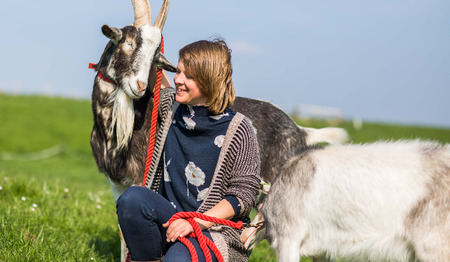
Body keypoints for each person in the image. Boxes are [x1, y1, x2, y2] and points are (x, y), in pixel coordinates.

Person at [116, 39, 261, 262]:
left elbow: (245, 193)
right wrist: (146, 34)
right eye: (179, 71)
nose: (178, 79)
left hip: (213, 230)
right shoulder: (172, 108)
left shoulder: (239, 128)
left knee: (179, 259)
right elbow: (158, 79)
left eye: (188, 76)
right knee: (132, 200)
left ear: (209, 80)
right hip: (169, 218)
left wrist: (195, 223)